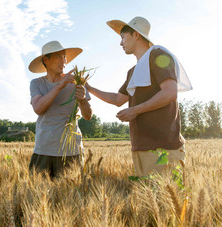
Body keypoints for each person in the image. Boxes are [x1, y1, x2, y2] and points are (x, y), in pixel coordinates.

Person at [86, 17, 192, 177]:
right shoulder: (133, 72)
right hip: (141, 146)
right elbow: (117, 99)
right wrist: (89, 88)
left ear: (136, 34)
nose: (120, 43)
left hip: (163, 147)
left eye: (123, 37)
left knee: (163, 198)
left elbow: (170, 92)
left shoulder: (159, 56)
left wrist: (135, 110)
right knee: (147, 199)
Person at [28, 40, 92, 178]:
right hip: (44, 149)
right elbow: (38, 108)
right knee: (38, 194)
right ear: (46, 59)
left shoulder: (77, 81)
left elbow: (87, 116)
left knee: (70, 196)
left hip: (71, 151)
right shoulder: (37, 83)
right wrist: (60, 85)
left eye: (64, 57)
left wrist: (82, 101)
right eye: (58, 56)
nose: (63, 61)